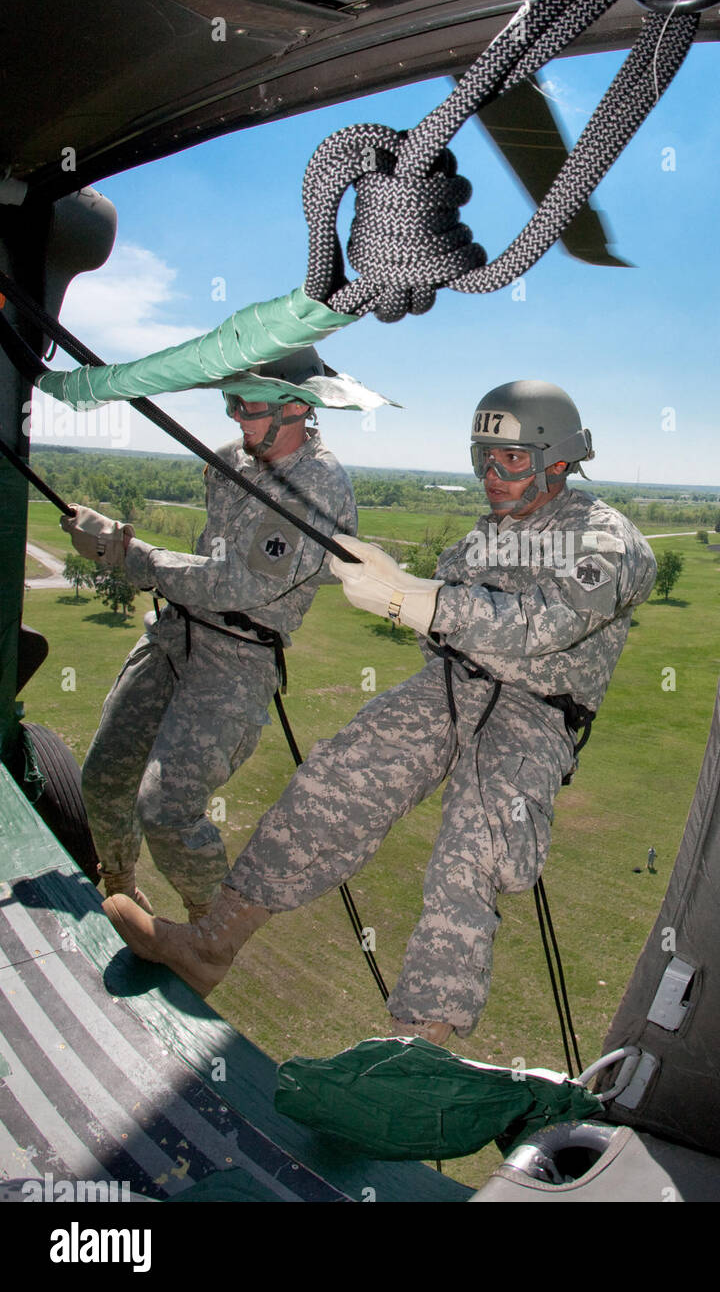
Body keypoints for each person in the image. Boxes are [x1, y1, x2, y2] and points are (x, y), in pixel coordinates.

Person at [104, 380, 656, 1046]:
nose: (492, 474)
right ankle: (211, 945)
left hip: (535, 713)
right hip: (452, 687)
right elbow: (445, 626)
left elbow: (546, 625)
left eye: (511, 459)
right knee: (332, 780)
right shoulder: (487, 538)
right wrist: (413, 593)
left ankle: (416, 1044)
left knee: (472, 848)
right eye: (485, 456)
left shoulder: (605, 539)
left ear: (559, 461)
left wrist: (416, 601)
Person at [64, 349, 357, 921]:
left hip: (238, 656)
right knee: (104, 775)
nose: (238, 418)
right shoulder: (229, 460)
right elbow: (208, 560)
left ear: (297, 406)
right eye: (232, 402)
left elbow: (240, 586)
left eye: (250, 405)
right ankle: (118, 886)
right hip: (177, 632)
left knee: (166, 807)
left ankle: (208, 929)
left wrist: (126, 554)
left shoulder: (319, 485)